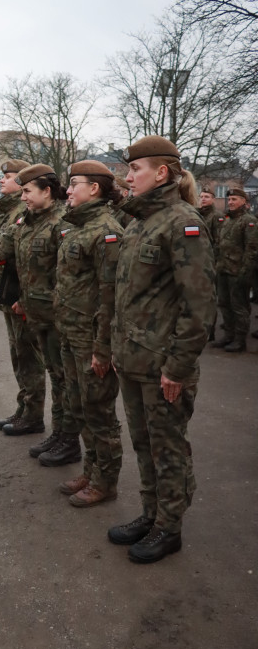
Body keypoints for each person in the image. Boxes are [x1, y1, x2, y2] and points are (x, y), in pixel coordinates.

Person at [108, 136, 216, 563]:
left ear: (162, 173)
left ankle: (169, 527)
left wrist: (178, 367)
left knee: (167, 447)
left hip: (163, 365)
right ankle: (151, 513)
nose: (128, 177)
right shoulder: (137, 222)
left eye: (135, 169)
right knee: (143, 443)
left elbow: (200, 304)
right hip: (134, 359)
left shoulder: (182, 223)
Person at [0, 164, 81, 466]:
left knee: (64, 379)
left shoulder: (63, 223)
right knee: (54, 373)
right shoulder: (25, 222)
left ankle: (68, 438)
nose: (24, 196)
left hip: (56, 315)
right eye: (23, 191)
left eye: (28, 191)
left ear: (47, 192)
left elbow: (67, 276)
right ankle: (57, 434)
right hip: (35, 312)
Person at [54, 161, 123, 507]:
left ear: (94, 188)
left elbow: (110, 295)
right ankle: (91, 470)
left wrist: (102, 348)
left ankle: (105, 482)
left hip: (92, 339)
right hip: (71, 333)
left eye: (73, 184)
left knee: (100, 412)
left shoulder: (107, 230)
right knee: (80, 408)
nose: (67, 191)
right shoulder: (77, 227)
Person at [211, 187, 257, 352]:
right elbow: (219, 246)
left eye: (234, 199)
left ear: (244, 201)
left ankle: (240, 339)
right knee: (224, 304)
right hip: (223, 269)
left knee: (239, 306)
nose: (230, 202)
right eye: (229, 200)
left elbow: (252, 251)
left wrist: (244, 274)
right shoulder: (228, 220)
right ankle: (228, 335)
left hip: (238, 272)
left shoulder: (249, 221)